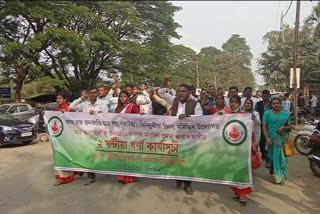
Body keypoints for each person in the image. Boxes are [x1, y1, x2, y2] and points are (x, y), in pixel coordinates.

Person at [159, 82, 202, 195]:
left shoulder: (195, 103)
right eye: (179, 91)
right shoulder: (174, 100)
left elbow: (200, 118)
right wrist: (165, 81)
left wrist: (188, 117)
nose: (181, 93)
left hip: (189, 137)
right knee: (177, 159)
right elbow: (161, 92)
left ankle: (187, 185)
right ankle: (179, 179)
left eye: (183, 91)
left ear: (189, 93)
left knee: (188, 161)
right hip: (175, 136)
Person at [70, 88, 109, 185]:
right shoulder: (84, 104)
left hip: (99, 133)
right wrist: (81, 98)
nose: (92, 94)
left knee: (101, 153)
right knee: (88, 154)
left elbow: (108, 117)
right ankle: (91, 176)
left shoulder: (103, 104)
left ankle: (105, 170)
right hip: (87, 133)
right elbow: (71, 107)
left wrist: (101, 114)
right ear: (88, 94)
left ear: (97, 94)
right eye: (90, 93)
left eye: (94, 93)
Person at [225, 95, 253, 206]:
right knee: (230, 170)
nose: (233, 104)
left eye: (236, 102)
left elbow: (250, 132)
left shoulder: (245, 116)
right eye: (231, 102)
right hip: (228, 149)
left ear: (239, 104)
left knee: (240, 170)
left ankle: (242, 195)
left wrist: (253, 144)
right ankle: (237, 192)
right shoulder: (225, 115)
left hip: (241, 149)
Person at [262, 98, 292, 185]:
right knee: (272, 157)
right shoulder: (267, 113)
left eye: (277, 103)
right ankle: (273, 166)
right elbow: (264, 126)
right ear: (271, 105)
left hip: (281, 139)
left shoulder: (286, 114)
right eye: (274, 103)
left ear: (281, 104)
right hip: (270, 139)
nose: (276, 105)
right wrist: (267, 138)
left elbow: (290, 126)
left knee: (280, 159)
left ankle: (280, 177)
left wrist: (284, 127)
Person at [53, 93, 80, 186]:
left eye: (60, 98)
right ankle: (60, 178)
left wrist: (67, 113)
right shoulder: (56, 110)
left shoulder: (70, 109)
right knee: (58, 155)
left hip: (68, 137)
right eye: (57, 98)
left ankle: (67, 177)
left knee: (66, 156)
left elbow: (76, 120)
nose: (58, 100)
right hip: (58, 137)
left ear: (64, 100)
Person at [115, 91, 140, 184]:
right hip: (120, 134)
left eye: (124, 96)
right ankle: (121, 176)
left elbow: (138, 118)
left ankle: (130, 176)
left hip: (131, 134)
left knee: (130, 155)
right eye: (120, 96)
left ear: (128, 98)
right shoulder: (117, 108)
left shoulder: (132, 106)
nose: (122, 98)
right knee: (121, 155)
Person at [255, 90, 271, 166]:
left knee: (268, 142)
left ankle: (268, 159)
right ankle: (263, 153)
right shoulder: (258, 104)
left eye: (267, 96)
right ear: (262, 96)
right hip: (261, 125)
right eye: (264, 96)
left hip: (270, 126)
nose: (265, 98)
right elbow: (255, 113)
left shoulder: (272, 104)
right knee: (261, 142)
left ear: (269, 96)